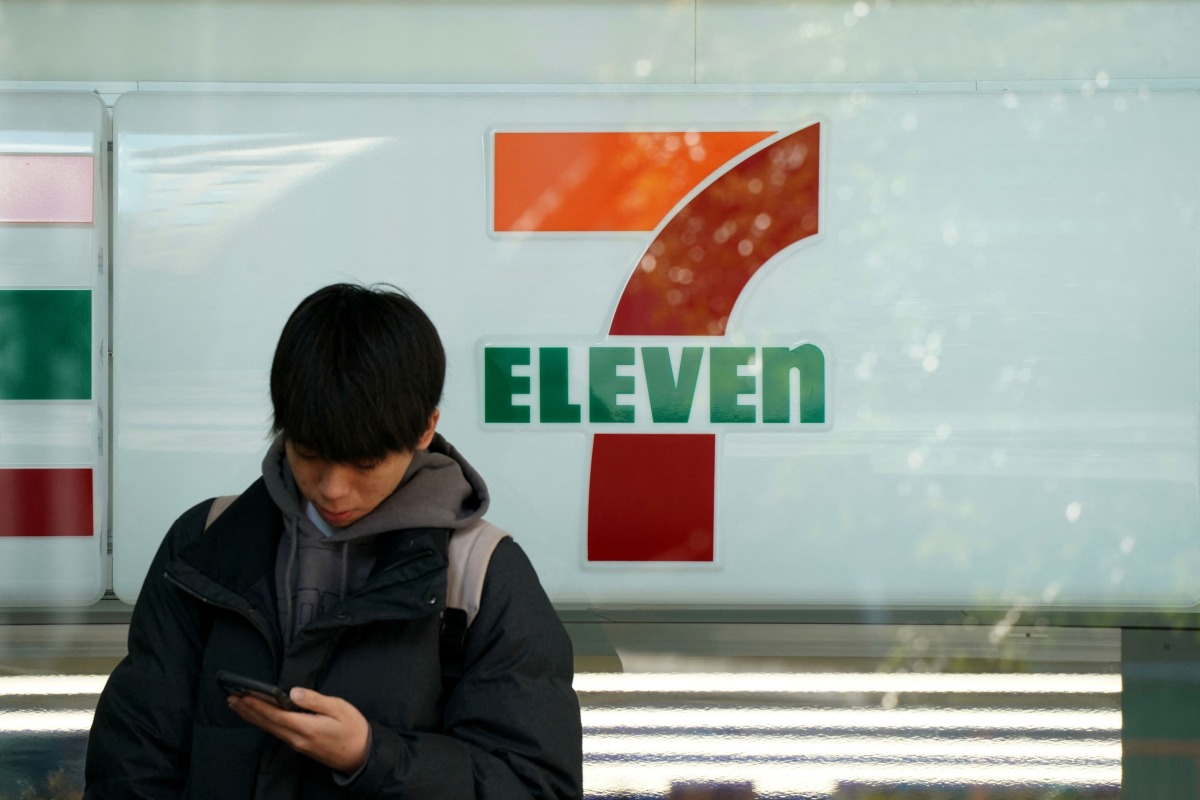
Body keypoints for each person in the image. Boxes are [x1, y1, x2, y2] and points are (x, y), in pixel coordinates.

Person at [85, 283, 583, 798]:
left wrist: (373, 756)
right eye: (308, 453)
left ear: (425, 429)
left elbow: (537, 785)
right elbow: (133, 759)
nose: (332, 488)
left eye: (366, 464)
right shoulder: (208, 540)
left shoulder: (481, 574)